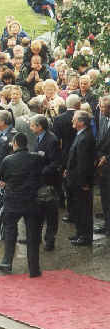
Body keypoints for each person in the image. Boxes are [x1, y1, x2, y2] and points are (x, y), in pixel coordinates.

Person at [0, 132, 43, 278]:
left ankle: (7, 261)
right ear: (26, 144)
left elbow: (2, 177)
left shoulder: (8, 160)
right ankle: (34, 268)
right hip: (31, 200)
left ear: (15, 143)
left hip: (13, 200)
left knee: (10, 231)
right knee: (33, 236)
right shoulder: (36, 158)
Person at [30, 114, 62, 250]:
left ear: (40, 126)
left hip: (50, 183)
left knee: (50, 214)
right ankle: (36, 238)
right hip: (39, 182)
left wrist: (43, 171)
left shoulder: (51, 140)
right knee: (38, 212)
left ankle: (50, 240)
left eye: (32, 125)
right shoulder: (38, 138)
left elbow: (56, 162)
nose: (30, 128)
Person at [65, 110, 96, 246]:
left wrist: (84, 182)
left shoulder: (85, 138)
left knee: (84, 209)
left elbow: (84, 163)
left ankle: (85, 236)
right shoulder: (81, 135)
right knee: (78, 208)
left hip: (81, 181)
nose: (72, 121)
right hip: (75, 178)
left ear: (82, 122)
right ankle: (80, 233)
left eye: (75, 119)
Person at [0, 110, 17, 240]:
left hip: (5, 178)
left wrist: (5, 178)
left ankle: (7, 234)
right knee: (1, 204)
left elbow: (12, 159)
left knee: (6, 206)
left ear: (2, 121)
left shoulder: (13, 136)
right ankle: (3, 233)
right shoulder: (2, 133)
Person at [52, 94, 79, 215]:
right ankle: (75, 208)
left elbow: (56, 140)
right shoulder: (83, 116)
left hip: (64, 153)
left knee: (64, 181)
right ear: (78, 105)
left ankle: (64, 203)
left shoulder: (58, 119)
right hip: (80, 153)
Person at [95, 96, 110, 236]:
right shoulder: (103, 118)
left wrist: (107, 157)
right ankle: (107, 224)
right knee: (105, 197)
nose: (101, 109)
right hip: (103, 166)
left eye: (104, 107)